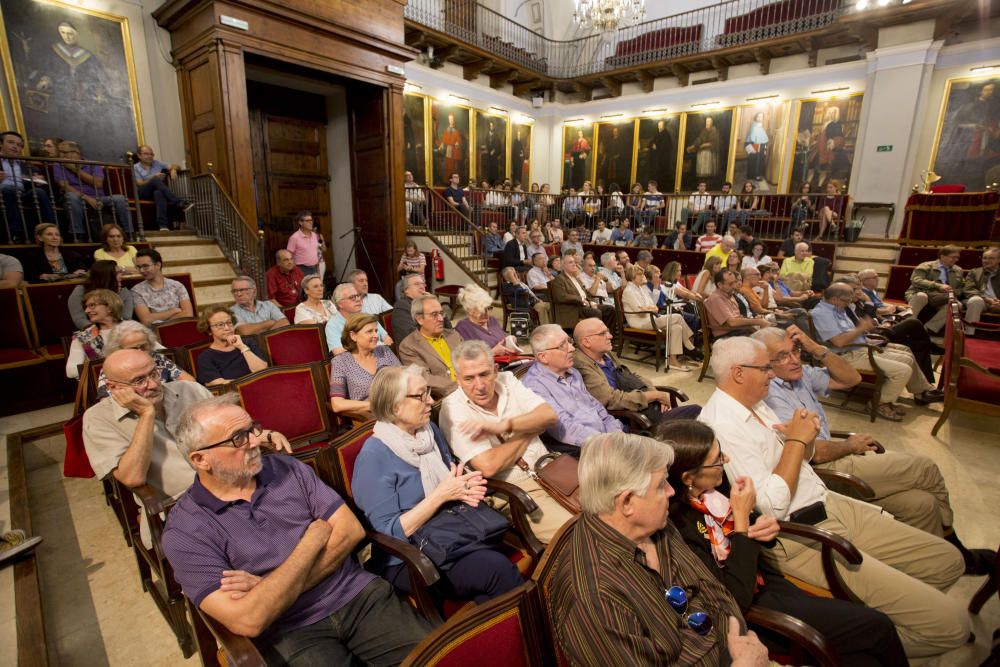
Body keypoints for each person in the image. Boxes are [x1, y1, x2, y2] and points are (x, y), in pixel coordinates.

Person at [698, 336, 971, 658]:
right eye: (765, 368)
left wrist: (806, 440)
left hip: (828, 503)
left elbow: (803, 459)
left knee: (948, 561)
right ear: (739, 373)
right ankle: (862, 647)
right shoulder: (721, 425)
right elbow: (770, 505)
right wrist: (796, 443)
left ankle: (898, 618)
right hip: (801, 535)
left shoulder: (755, 403)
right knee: (952, 626)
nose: (772, 374)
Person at [161, 394, 431, 665]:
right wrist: (311, 542)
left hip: (355, 595)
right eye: (238, 438)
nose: (256, 441)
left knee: (438, 659)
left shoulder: (286, 469)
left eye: (252, 429)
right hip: (285, 633)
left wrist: (268, 588)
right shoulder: (185, 531)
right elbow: (250, 619)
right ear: (201, 459)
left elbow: (350, 531)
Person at [659, 420, 908, 666]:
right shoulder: (680, 528)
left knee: (864, 654)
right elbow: (734, 599)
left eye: (721, 451)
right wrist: (744, 521)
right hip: (754, 612)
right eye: (716, 459)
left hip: (768, 580)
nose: (726, 460)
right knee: (877, 626)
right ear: (689, 477)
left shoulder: (714, 488)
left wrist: (764, 528)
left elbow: (750, 527)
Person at [753, 325, 995, 574]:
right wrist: (849, 445)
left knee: (921, 504)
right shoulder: (771, 394)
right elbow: (815, 453)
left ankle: (929, 567)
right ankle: (957, 552)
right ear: (765, 364)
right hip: (820, 468)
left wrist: (817, 349)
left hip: (832, 455)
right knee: (925, 469)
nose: (793, 360)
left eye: (795, 351)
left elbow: (852, 379)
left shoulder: (799, 375)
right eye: (782, 356)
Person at [549, 431, 767, 666]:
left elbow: (715, 593)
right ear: (627, 502)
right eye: (661, 484)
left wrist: (736, 644)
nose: (671, 491)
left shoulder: (653, 526)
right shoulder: (595, 597)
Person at [352, 365, 523, 602]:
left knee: (493, 581)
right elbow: (387, 533)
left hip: (451, 530)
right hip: (411, 557)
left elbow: (449, 472)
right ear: (394, 405)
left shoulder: (427, 431)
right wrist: (440, 496)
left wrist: (464, 486)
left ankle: (499, 631)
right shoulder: (373, 457)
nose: (431, 401)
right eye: (420, 396)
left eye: (428, 392)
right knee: (497, 569)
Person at [438, 340, 572, 542]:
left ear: (495, 370)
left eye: (484, 374)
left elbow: (549, 415)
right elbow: (489, 466)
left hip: (553, 467)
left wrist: (506, 426)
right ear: (457, 379)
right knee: (575, 532)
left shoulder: (507, 380)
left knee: (611, 510)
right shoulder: (453, 409)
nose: (479, 385)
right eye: (469, 378)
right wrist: (528, 428)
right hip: (517, 489)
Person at [81, 349, 222, 541]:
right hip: (181, 509)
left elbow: (230, 432)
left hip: (229, 486)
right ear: (113, 387)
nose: (154, 384)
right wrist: (146, 415)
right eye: (139, 381)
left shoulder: (191, 390)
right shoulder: (98, 418)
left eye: (154, 373)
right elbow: (133, 478)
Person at [811, 283, 941, 420]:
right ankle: (879, 404)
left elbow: (848, 333)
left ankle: (920, 391)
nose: (850, 302)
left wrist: (866, 336)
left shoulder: (837, 308)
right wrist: (861, 329)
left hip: (858, 348)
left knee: (907, 357)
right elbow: (839, 342)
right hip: (843, 356)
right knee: (903, 370)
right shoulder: (822, 314)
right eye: (847, 300)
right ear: (834, 299)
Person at [573, 318, 702, 424]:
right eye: (603, 333)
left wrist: (654, 391)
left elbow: (631, 375)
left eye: (608, 331)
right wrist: (655, 396)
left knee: (697, 418)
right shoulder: (582, 365)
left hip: (645, 406)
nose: (610, 336)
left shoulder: (606, 354)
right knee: (697, 413)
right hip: (636, 418)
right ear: (586, 342)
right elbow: (611, 400)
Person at [521, 325, 623, 448]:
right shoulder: (535, 387)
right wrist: (605, 443)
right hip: (583, 448)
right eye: (562, 345)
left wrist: (617, 435)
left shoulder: (573, 372)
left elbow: (597, 408)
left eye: (569, 341)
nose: (571, 349)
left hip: (606, 439)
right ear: (543, 357)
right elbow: (565, 428)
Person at [329, 313, 402, 422]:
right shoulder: (341, 362)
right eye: (369, 331)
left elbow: (405, 379)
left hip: (400, 407)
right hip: (371, 417)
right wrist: (374, 405)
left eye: (376, 331)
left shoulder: (384, 351)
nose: (376, 336)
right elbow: (337, 404)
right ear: (353, 335)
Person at [622, 265, 697, 371]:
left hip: (650, 318)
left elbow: (654, 307)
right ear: (633, 276)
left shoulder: (641, 288)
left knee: (676, 328)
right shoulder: (629, 291)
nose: (643, 276)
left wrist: (649, 308)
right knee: (677, 317)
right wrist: (649, 308)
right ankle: (688, 340)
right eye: (640, 274)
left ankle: (673, 361)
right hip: (639, 322)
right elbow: (639, 311)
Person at [54, 141, 133, 240]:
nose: (60, 155)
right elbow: (64, 186)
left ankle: (129, 233)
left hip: (98, 197)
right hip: (76, 197)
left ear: (75, 153)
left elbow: (98, 184)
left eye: (64, 152)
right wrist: (87, 198)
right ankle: (77, 235)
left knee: (120, 199)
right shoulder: (58, 165)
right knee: (71, 197)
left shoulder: (93, 165)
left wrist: (76, 170)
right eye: (59, 152)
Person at [95, 321, 195, 397]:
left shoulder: (158, 358)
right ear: (118, 349)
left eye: (144, 347)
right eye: (133, 348)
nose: (140, 352)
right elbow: (107, 402)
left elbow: (190, 382)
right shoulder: (111, 368)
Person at [397, 293, 462, 399]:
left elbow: (471, 359)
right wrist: (460, 386)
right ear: (419, 319)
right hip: (446, 396)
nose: (441, 318)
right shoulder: (409, 346)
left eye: (441, 313)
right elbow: (425, 378)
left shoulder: (453, 335)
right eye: (434, 314)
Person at [0, 131, 56, 243]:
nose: (15, 147)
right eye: (11, 143)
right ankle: (15, 233)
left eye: (19, 145)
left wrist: (38, 181)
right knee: (9, 190)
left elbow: (42, 184)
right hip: (3, 193)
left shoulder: (28, 166)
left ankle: (51, 230)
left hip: (22, 194)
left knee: (39, 192)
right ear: (1, 144)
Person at [195, 305, 268, 385]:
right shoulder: (206, 357)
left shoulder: (247, 343)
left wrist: (242, 347)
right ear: (209, 330)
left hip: (261, 386)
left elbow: (262, 372)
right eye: (220, 325)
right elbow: (220, 384)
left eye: (229, 323)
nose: (227, 328)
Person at [906, 245, 966, 334]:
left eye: (957, 257)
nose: (956, 260)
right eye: (953, 257)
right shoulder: (926, 266)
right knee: (921, 296)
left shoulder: (958, 270)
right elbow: (916, 280)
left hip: (943, 297)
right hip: (923, 293)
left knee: (956, 304)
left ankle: (926, 330)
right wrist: (938, 286)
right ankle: (906, 325)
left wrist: (954, 292)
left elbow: (962, 287)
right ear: (942, 256)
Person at [66, 289, 123, 379]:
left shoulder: (133, 329)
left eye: (92, 305)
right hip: (105, 386)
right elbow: (71, 371)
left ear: (110, 308)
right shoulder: (83, 338)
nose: (86, 311)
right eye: (86, 307)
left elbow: (153, 355)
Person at [133, 145, 190, 231]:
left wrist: (173, 169)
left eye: (151, 154)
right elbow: (140, 183)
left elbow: (177, 166)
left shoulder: (157, 163)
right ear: (139, 156)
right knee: (155, 179)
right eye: (146, 154)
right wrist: (153, 178)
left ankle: (163, 226)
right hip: (142, 192)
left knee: (159, 193)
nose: (150, 156)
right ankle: (178, 202)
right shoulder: (135, 167)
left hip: (155, 191)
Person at [132, 249, 194, 326]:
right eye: (139, 267)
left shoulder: (177, 286)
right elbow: (146, 320)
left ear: (158, 265)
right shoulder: (137, 291)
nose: (141, 270)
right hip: (155, 335)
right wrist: (173, 311)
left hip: (180, 328)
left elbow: (188, 314)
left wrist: (159, 322)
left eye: (145, 266)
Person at [325, 283, 391, 355]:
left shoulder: (367, 316)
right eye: (352, 297)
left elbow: (387, 339)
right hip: (358, 363)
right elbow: (339, 353)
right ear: (340, 304)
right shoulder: (333, 325)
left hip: (382, 356)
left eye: (358, 296)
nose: (358, 300)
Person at [68, 259, 134, 329]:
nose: (121, 276)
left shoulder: (123, 292)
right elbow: (79, 320)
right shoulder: (80, 291)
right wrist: (98, 332)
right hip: (90, 332)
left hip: (118, 330)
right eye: (117, 273)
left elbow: (126, 318)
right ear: (106, 277)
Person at [453, 284, 518, 355]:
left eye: (489, 308)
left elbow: (502, 341)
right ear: (470, 310)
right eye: (482, 310)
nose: (487, 313)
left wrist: (510, 341)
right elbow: (466, 358)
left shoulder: (492, 320)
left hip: (507, 361)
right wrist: (493, 352)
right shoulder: (463, 327)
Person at [704, 270, 769, 338]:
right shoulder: (716, 298)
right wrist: (758, 322)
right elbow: (732, 322)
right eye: (730, 284)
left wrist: (755, 327)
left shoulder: (730, 295)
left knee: (770, 336)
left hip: (738, 332)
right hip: (727, 336)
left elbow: (738, 318)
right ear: (720, 285)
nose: (734, 286)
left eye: (735, 282)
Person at [22, 223, 88, 283]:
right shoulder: (32, 256)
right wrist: (72, 275)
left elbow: (82, 272)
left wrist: (52, 276)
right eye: (49, 234)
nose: (54, 238)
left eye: (57, 235)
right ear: (40, 238)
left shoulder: (72, 255)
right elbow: (33, 277)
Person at [963, 246, 1000, 334]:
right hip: (983, 301)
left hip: (997, 302)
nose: (986, 261)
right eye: (984, 258)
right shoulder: (974, 272)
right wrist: (985, 299)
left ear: (999, 260)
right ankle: (968, 334)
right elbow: (968, 289)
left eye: (991, 258)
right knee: (975, 301)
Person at [286, 210, 323, 276]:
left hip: (314, 268)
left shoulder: (315, 235)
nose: (311, 222)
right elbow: (289, 257)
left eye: (311, 220)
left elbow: (316, 253)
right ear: (300, 222)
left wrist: (318, 272)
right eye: (308, 221)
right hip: (301, 269)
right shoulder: (294, 238)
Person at [687, 116, 721, 182]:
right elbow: (699, 140)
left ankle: (708, 182)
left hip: (709, 154)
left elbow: (714, 143)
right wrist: (692, 146)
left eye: (709, 122)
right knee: (701, 174)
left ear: (712, 123)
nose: (707, 123)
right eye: (706, 122)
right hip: (702, 154)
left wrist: (705, 145)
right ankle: (702, 182)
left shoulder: (714, 131)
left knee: (708, 173)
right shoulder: (704, 131)